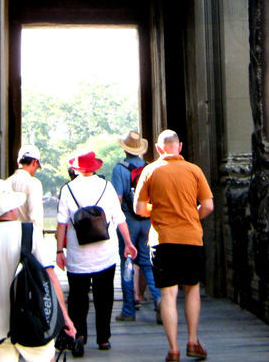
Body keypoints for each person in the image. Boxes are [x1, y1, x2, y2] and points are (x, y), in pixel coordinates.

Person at [0, 179, 75, 362]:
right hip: (33, 322)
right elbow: (50, 279)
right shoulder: (29, 233)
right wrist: (64, 317)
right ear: (13, 207)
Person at [134, 129, 214, 362]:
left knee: (168, 294)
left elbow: (139, 209)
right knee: (192, 289)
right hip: (190, 237)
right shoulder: (194, 170)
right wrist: (191, 216)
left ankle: (173, 349)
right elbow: (208, 205)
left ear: (159, 149)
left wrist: (156, 210)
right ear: (179, 147)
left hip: (163, 239)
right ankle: (192, 340)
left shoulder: (150, 171)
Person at [56, 150, 137, 356]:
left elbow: (62, 224)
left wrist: (59, 251)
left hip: (77, 253)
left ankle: (79, 335)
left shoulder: (68, 189)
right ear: (95, 167)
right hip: (105, 253)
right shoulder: (106, 186)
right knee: (104, 296)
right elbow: (119, 218)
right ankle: (103, 339)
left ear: (75, 168)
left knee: (77, 297)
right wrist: (128, 242)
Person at [110, 129, 161, 323]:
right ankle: (158, 300)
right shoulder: (150, 168)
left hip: (129, 222)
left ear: (125, 149)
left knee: (128, 264)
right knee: (148, 263)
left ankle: (128, 310)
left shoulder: (119, 169)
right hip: (147, 221)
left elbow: (118, 199)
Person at [6, 144, 45, 229]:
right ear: (34, 162)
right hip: (25, 237)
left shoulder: (6, 183)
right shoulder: (33, 183)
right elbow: (35, 218)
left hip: (8, 237)